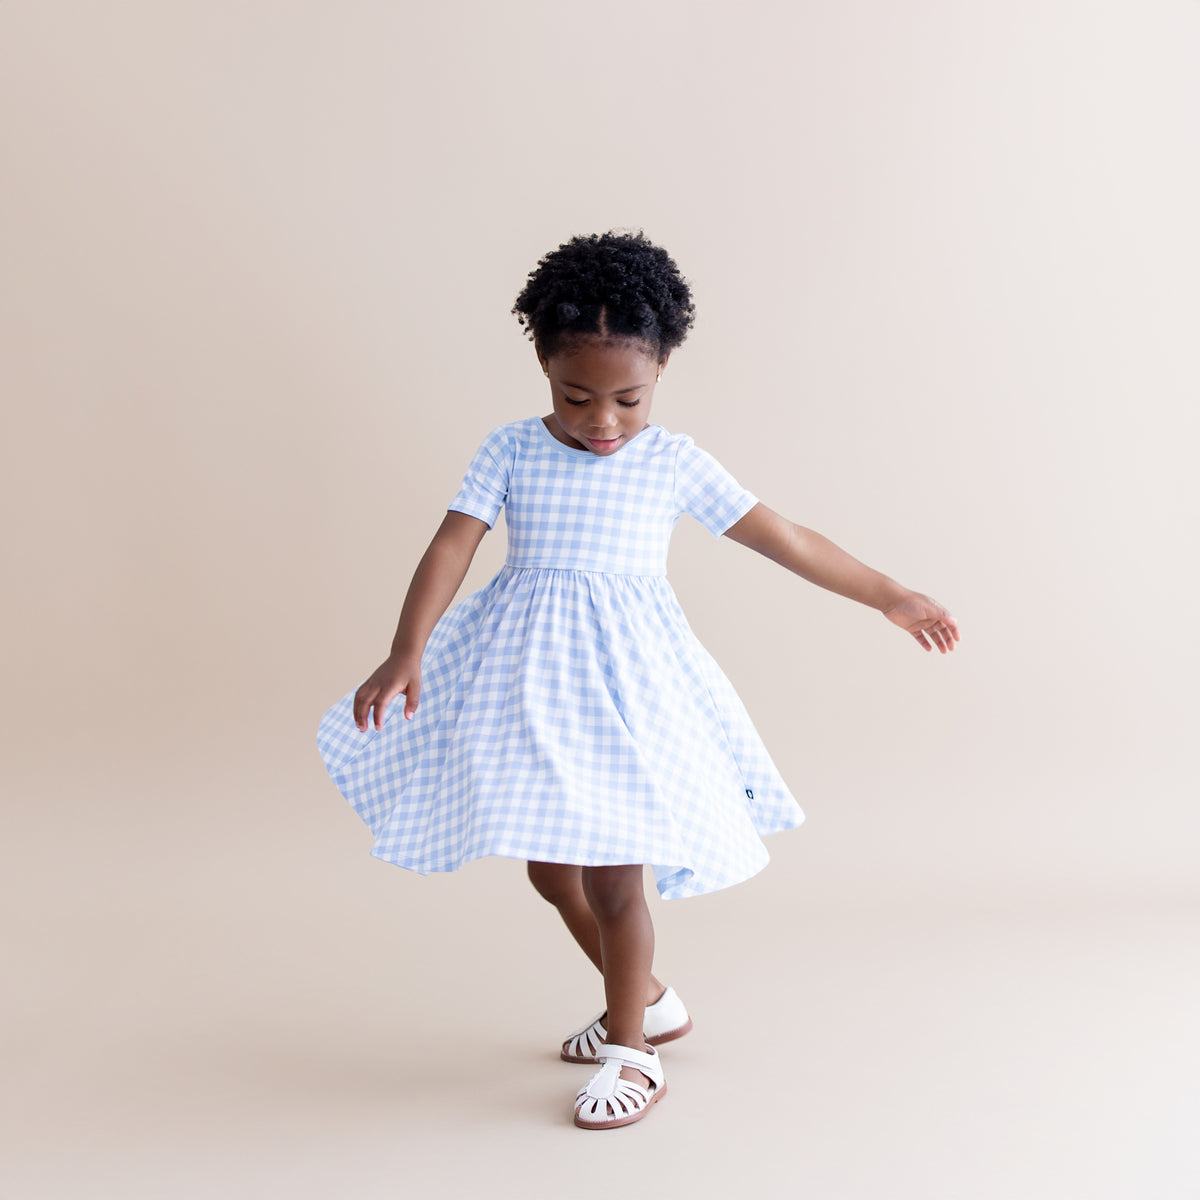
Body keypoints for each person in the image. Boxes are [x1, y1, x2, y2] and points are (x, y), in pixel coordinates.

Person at [316, 229, 960, 1130]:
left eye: (629, 397)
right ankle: (649, 1000)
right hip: (531, 685)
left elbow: (786, 537)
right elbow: (451, 544)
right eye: (578, 397)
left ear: (661, 370)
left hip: (627, 694)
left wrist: (890, 594)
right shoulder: (510, 450)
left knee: (620, 880)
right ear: (543, 364)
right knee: (551, 868)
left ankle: (633, 1050)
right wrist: (406, 648)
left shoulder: (673, 461)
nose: (604, 421)